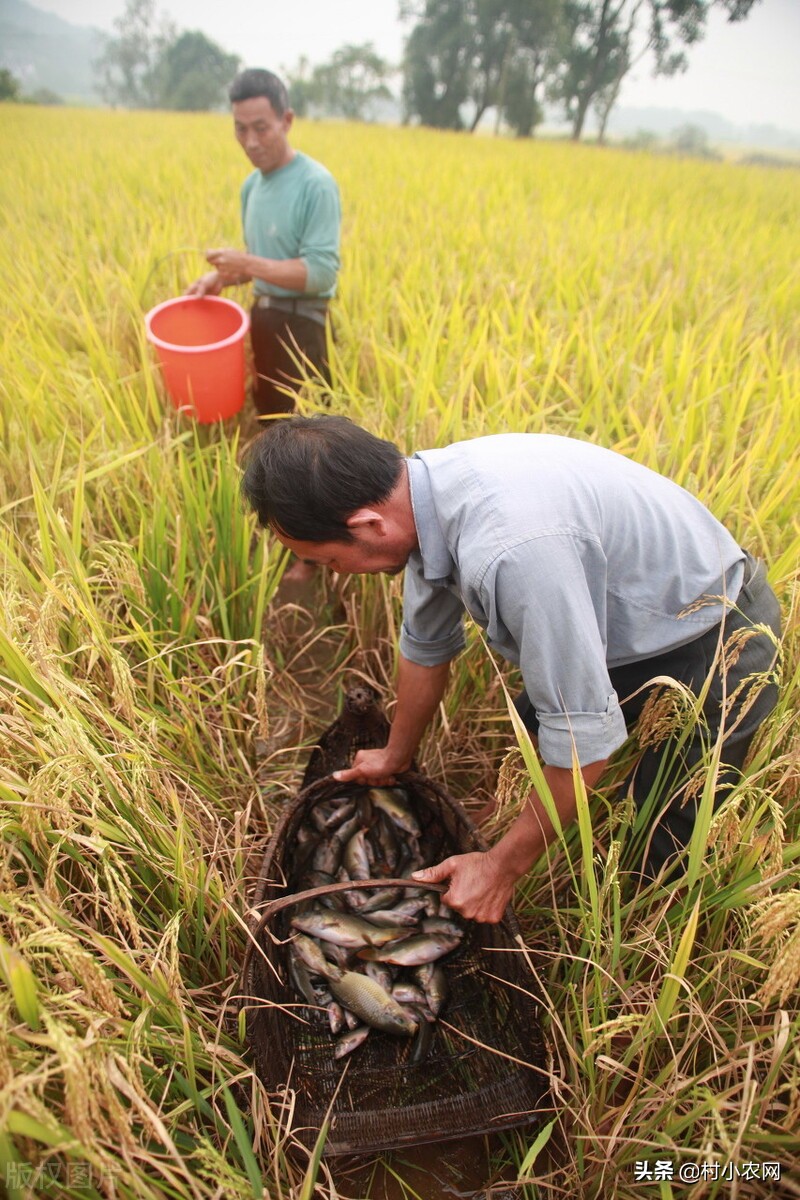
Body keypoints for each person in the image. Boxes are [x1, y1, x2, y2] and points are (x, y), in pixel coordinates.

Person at [241, 415, 782, 922]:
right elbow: (425, 648)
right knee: (535, 726)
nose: (336, 573)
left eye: (329, 561)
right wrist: (396, 753)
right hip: (629, 617)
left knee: (661, 832)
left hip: (717, 637)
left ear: (368, 524)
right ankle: (547, 825)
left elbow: (581, 743)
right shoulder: (421, 498)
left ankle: (643, 943)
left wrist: (500, 868)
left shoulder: (511, 551)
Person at [186, 68, 341, 418]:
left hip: (305, 326)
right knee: (269, 420)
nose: (251, 142)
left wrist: (246, 264)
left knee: (311, 438)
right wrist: (222, 278)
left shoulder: (315, 184)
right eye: (241, 129)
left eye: (261, 128)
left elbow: (320, 274)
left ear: (286, 121)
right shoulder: (250, 187)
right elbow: (265, 260)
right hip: (263, 321)